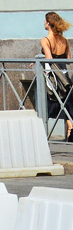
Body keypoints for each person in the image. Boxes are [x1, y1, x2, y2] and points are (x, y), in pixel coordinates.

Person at [43, 12, 72, 140]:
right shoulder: (64, 40)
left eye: (45, 21)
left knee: (51, 104)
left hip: (55, 77)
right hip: (65, 74)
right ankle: (70, 131)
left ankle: (42, 134)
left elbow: (49, 59)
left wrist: (40, 62)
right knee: (68, 103)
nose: (43, 23)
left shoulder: (45, 40)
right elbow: (69, 58)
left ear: (49, 23)